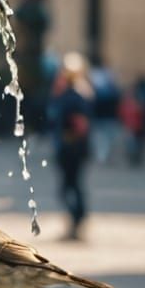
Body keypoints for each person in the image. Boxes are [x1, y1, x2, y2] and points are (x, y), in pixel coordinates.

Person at [49, 52, 94, 240]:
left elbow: (80, 125)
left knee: (69, 187)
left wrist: (69, 140)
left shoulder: (74, 95)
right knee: (71, 186)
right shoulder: (74, 93)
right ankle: (76, 220)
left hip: (71, 149)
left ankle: (77, 219)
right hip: (72, 147)